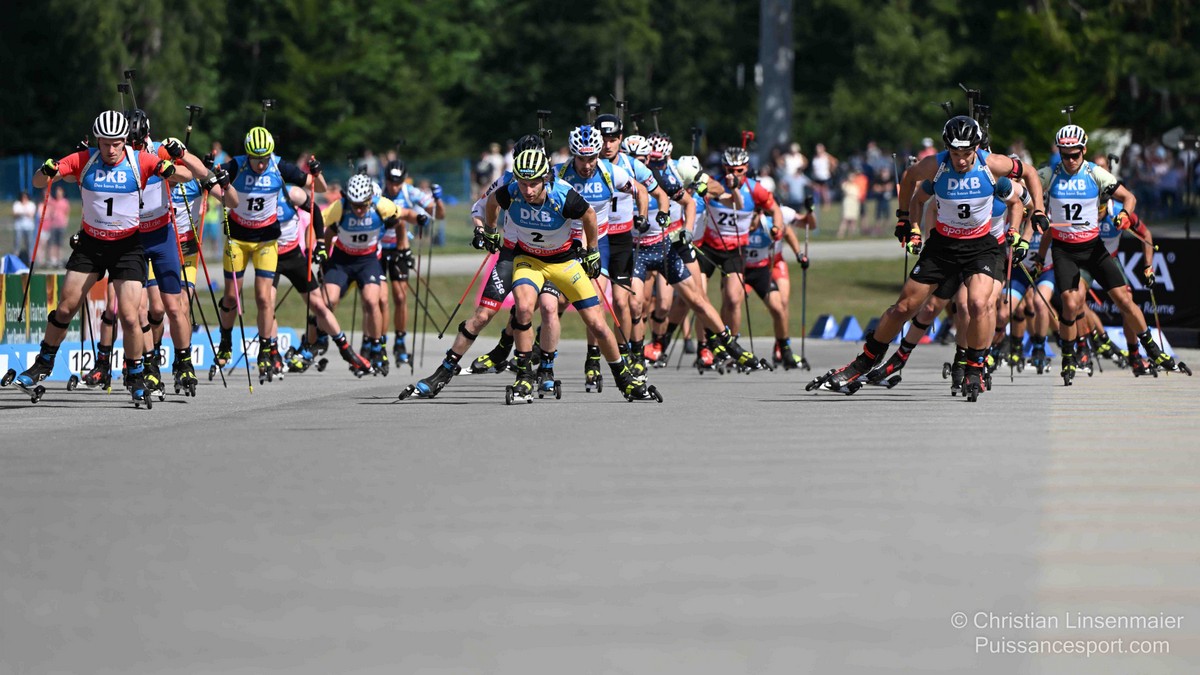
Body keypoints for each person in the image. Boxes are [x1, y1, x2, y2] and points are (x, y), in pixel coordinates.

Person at [811, 116, 1046, 400]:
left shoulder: (992, 165)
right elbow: (909, 179)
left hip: (981, 246)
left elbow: (1030, 173)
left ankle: (974, 368)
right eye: (955, 154)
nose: (961, 161)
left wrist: (1039, 210)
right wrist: (905, 221)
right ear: (947, 149)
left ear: (976, 148)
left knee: (977, 303)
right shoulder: (936, 165)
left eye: (966, 154)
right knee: (904, 307)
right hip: (943, 245)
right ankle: (864, 362)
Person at [12, 111, 188, 406]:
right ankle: (43, 363)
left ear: (125, 141)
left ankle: (135, 375)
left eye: (116, 143)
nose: (111, 149)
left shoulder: (139, 160)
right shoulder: (85, 159)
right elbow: (39, 182)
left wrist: (170, 169)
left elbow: (186, 176)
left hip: (127, 247)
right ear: (98, 141)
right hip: (91, 245)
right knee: (66, 307)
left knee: (130, 316)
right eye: (105, 143)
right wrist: (46, 169)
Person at [1035, 124, 1184, 383]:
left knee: (1124, 300)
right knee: (1070, 303)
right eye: (1064, 155)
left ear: (1084, 151)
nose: (1070, 160)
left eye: (1075, 155)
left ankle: (1150, 349)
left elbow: (1129, 197)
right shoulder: (1051, 173)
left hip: (1093, 249)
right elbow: (1026, 184)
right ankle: (1070, 355)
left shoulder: (1094, 173)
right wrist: (1030, 207)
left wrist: (1125, 214)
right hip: (1065, 251)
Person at [214, 126, 325, 382]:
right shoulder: (237, 165)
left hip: (266, 240)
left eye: (264, 158)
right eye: (256, 159)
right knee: (231, 297)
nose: (261, 164)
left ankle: (266, 350)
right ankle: (225, 341)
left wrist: (316, 172)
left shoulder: (279, 166)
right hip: (238, 240)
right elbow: (209, 182)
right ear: (248, 155)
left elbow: (317, 188)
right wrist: (214, 177)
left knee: (264, 298)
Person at [378, 159, 442, 365]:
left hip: (400, 248)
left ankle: (400, 343)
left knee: (400, 296)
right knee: (381, 300)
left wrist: (438, 200)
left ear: (404, 181)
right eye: (390, 182)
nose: (394, 187)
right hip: (377, 249)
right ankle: (379, 345)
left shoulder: (410, 192)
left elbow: (438, 214)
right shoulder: (378, 191)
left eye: (398, 182)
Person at [47, 186, 70, 267]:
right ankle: (52, 260)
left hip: (61, 225)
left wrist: (66, 222)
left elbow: (67, 213)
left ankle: (59, 259)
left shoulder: (65, 202)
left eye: (59, 192)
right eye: (57, 192)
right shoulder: (52, 201)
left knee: (60, 243)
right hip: (53, 225)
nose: (58, 193)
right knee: (52, 243)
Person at [12, 191, 36, 264]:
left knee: (29, 244)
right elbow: (15, 214)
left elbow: (31, 215)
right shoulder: (17, 204)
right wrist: (24, 213)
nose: (24, 199)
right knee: (17, 243)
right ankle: (15, 259)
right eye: (23, 197)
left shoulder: (31, 204)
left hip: (29, 227)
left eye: (25, 197)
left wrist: (22, 213)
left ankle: (30, 260)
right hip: (19, 227)